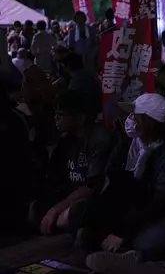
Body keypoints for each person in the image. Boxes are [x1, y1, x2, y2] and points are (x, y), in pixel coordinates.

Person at [83, 93, 165, 271]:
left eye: (135, 116)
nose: (130, 120)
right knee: (89, 222)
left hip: (164, 212)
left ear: (150, 121)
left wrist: (122, 231)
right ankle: (120, 248)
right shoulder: (130, 145)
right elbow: (113, 181)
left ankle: (132, 256)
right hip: (136, 208)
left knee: (150, 241)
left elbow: (162, 201)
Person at [29, 91, 112, 236]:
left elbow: (91, 186)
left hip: (96, 200)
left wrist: (56, 209)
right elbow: (55, 179)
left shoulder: (100, 140)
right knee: (36, 209)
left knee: (72, 214)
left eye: (61, 115)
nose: (56, 119)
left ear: (80, 117)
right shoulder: (67, 140)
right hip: (70, 195)